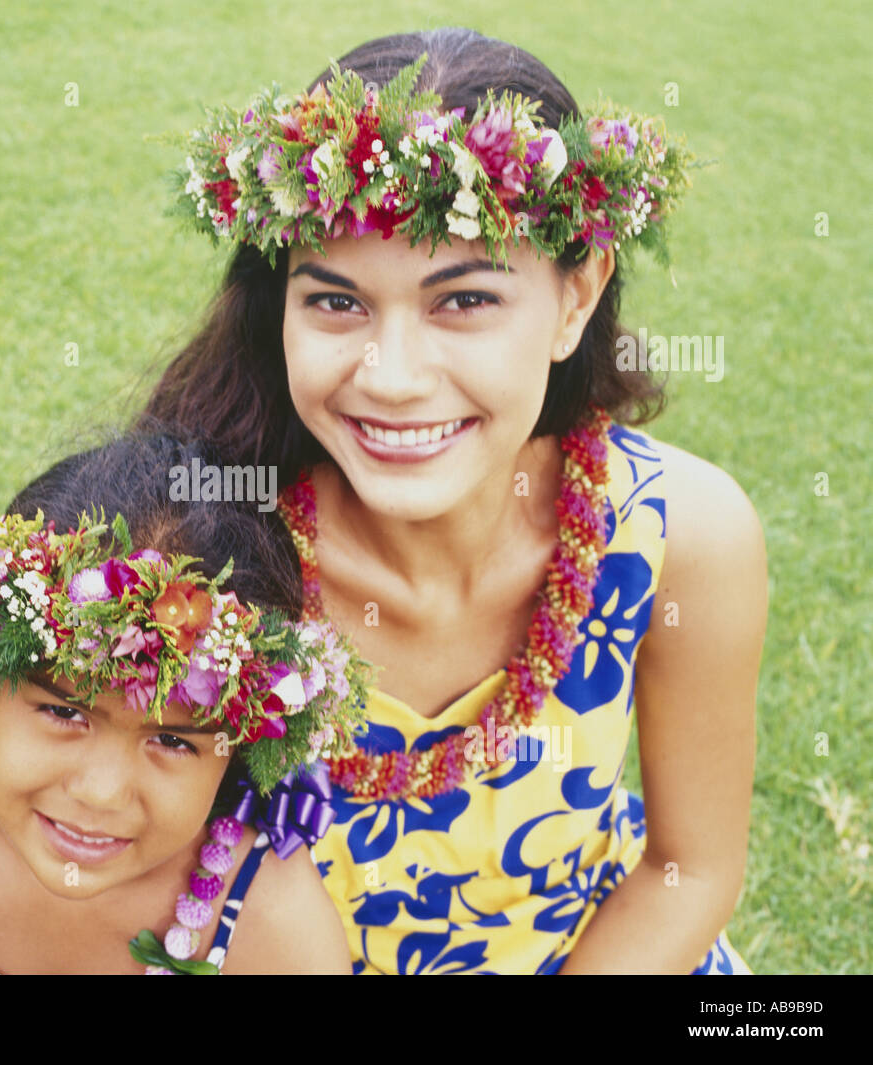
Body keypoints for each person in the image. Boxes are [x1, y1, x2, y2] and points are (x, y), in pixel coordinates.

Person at [137, 27, 767, 974]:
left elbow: (688, 866)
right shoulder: (199, 546)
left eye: (463, 301)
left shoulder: (682, 535)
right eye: (336, 302)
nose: (390, 379)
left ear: (575, 298)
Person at [0, 429, 374, 975]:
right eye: (64, 711)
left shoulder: (269, 917)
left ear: (244, 744)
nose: (100, 792)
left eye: (171, 740)